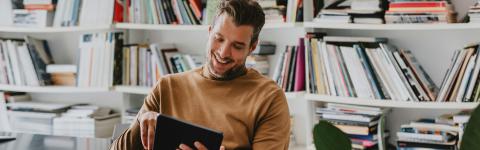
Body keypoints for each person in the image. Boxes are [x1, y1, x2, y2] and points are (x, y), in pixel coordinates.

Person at [110, 0, 291, 149]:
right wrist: (141, 122)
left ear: (252, 47)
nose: (223, 53)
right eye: (219, 39)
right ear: (210, 31)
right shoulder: (167, 87)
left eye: (237, 46)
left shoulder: (269, 97)